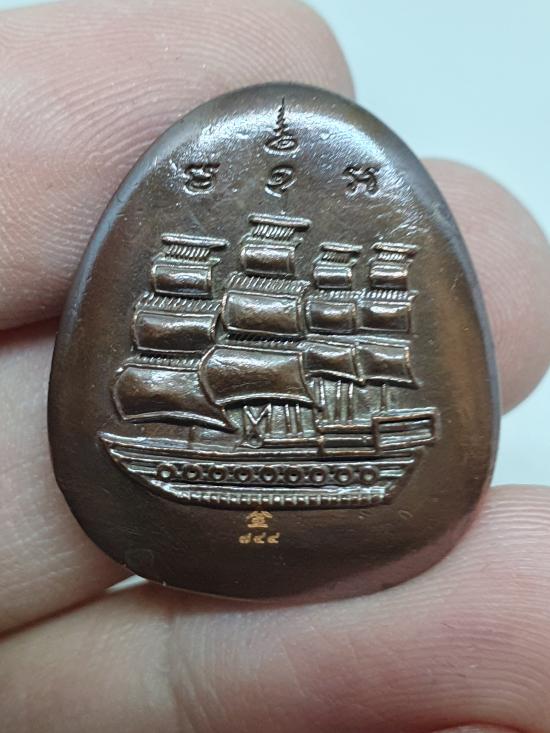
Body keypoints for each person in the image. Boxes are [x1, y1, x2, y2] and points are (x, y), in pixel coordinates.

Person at [0, 1, 549, 731]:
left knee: (295, 366)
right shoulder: (212, 332)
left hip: (330, 436)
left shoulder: (300, 327)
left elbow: (302, 352)